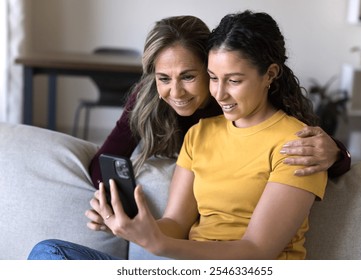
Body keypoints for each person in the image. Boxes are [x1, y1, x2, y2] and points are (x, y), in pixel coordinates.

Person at [29, 10, 329, 260]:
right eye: (213, 78)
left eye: (234, 80)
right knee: (50, 253)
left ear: (270, 75)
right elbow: (175, 222)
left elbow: (258, 251)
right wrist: (130, 225)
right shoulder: (200, 134)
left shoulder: (298, 144)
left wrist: (160, 245)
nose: (220, 93)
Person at [88, 16, 350, 191]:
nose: (175, 91)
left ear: (211, 67)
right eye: (164, 78)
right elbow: (104, 162)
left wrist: (337, 153)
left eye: (189, 76)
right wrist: (114, 201)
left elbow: (303, 143)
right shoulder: (148, 98)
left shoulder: (240, 101)